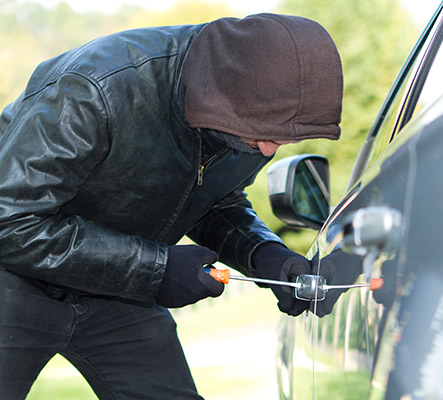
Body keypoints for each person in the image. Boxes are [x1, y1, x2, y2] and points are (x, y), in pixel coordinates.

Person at [0, 13, 343, 399]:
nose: (268, 149)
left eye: (281, 137)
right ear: (221, 95)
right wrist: (158, 270)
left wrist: (265, 253)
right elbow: (10, 219)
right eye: (264, 134)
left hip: (117, 291)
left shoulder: (256, 118)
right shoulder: (96, 89)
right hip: (14, 277)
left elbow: (213, 197)